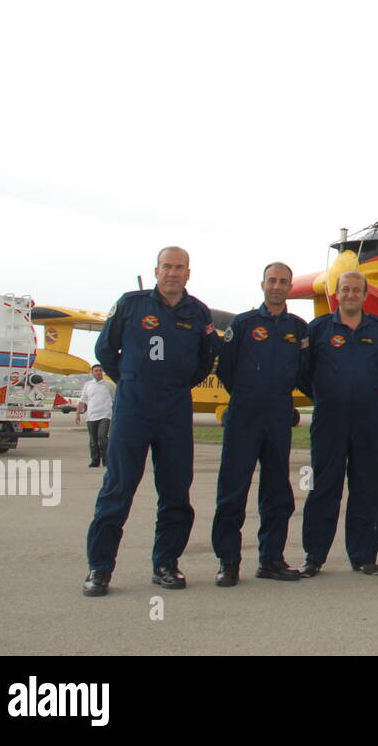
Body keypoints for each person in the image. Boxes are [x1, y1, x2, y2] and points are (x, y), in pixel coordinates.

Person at [83, 246, 218, 597]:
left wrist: (175, 383)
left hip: (174, 406)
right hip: (133, 404)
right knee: (118, 488)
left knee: (175, 491)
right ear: (156, 270)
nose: (173, 273)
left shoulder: (198, 312)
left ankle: (166, 563)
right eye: (167, 266)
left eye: (180, 267)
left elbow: (206, 361)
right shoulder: (131, 304)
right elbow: (104, 351)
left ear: (189, 273)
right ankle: (100, 568)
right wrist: (131, 377)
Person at [209, 262, 309, 587]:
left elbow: (305, 370)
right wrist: (248, 394)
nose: (277, 286)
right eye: (272, 280)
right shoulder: (243, 323)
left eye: (283, 281)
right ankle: (228, 562)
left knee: (277, 490)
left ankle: (271, 559)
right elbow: (226, 368)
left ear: (290, 287)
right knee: (233, 489)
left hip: (279, 412)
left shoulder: (298, 327)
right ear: (262, 284)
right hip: (245, 412)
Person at [297, 270, 378, 577]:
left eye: (356, 290)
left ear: (366, 295)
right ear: (336, 294)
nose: (350, 294)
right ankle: (314, 555)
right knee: (324, 486)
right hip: (329, 419)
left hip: (368, 419)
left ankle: (363, 555)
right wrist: (326, 396)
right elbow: (303, 373)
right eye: (345, 289)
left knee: (367, 487)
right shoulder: (318, 329)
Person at [76, 364, 114, 468]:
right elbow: (82, 400)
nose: (98, 372)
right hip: (91, 415)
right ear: (92, 372)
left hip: (105, 415)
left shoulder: (109, 385)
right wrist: (78, 414)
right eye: (96, 370)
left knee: (102, 437)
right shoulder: (88, 385)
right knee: (93, 440)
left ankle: (107, 460)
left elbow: (115, 400)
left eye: (100, 370)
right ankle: (95, 461)